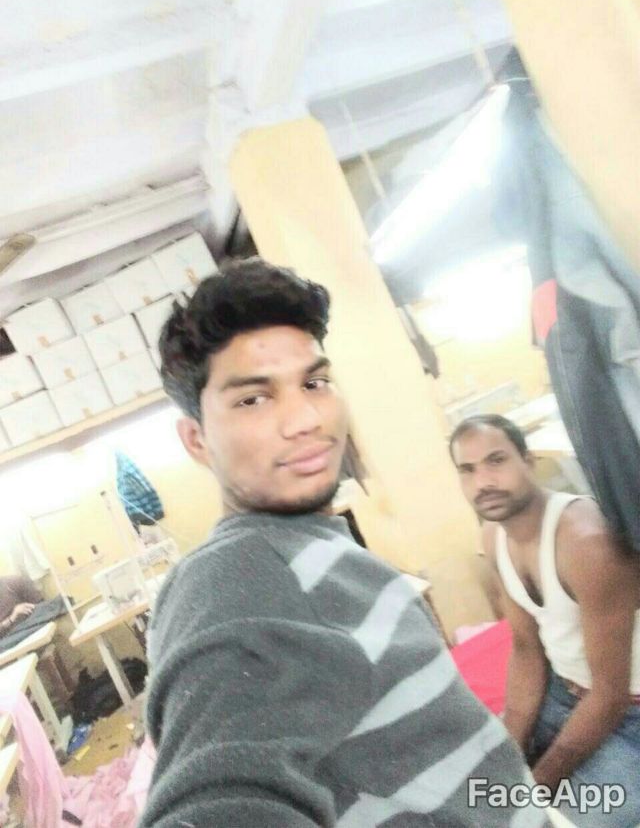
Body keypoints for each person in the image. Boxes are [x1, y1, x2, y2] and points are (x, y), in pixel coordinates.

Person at [140, 258, 547, 828]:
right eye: (253, 399)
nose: (305, 418)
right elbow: (219, 800)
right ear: (197, 441)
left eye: (314, 383)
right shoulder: (238, 578)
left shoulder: (306, 546)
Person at [450, 413, 640, 826]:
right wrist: (510, 752)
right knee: (472, 784)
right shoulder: (493, 537)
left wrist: (531, 790)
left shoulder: (587, 544)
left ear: (528, 460)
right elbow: (525, 648)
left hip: (625, 711)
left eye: (496, 460)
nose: (483, 481)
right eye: (468, 470)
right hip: (561, 691)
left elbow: (610, 695)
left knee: (581, 816)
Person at [0, 574, 42, 638]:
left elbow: (40, 606)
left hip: (34, 628)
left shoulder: (13, 582)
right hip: (7, 640)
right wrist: (12, 617)